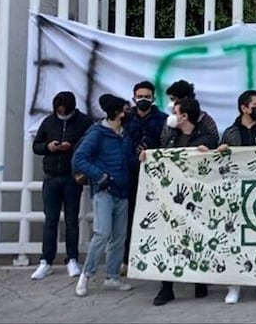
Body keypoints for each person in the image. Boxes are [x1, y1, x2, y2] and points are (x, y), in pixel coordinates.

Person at [150, 96, 220, 306]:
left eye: (175, 112)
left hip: (197, 198)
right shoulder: (171, 136)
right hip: (172, 197)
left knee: (197, 237)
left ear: (184, 116)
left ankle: (200, 280)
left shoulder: (205, 137)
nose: (172, 117)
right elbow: (160, 156)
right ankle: (167, 287)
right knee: (169, 239)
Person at [71, 94, 137, 297]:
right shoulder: (97, 133)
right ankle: (86, 275)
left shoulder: (125, 135)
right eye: (125, 109)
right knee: (102, 233)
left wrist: (140, 157)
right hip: (104, 192)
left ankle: (112, 277)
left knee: (119, 237)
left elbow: (128, 161)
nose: (128, 112)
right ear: (117, 113)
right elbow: (79, 159)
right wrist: (101, 175)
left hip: (123, 191)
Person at [219, 90, 256, 305]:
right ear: (244, 108)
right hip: (236, 192)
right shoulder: (230, 132)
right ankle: (234, 285)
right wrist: (222, 150)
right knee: (234, 240)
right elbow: (220, 164)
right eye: (255, 104)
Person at [30, 90, 92, 281]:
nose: (62, 114)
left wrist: (71, 147)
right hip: (51, 177)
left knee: (72, 220)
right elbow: (36, 146)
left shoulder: (84, 122)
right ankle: (46, 261)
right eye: (59, 111)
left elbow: (89, 145)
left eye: (65, 111)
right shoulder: (48, 122)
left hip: (71, 177)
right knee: (50, 220)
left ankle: (72, 258)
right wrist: (49, 146)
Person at [122, 80, 167, 267]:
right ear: (133, 97)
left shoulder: (163, 119)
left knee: (155, 216)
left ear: (154, 98)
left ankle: (153, 258)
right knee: (128, 217)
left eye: (147, 97)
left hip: (154, 176)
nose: (143, 100)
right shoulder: (124, 119)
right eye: (140, 96)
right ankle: (127, 259)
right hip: (129, 175)